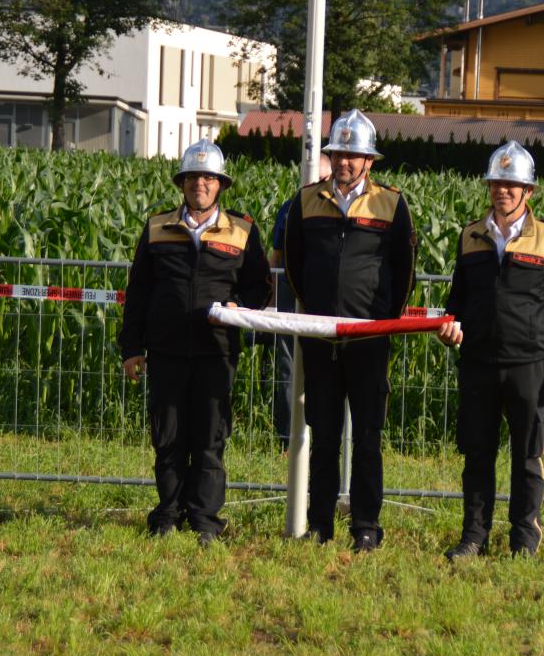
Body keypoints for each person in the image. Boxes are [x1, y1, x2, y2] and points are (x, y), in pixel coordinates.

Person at [118, 140, 271, 545]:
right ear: (181, 183)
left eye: (208, 177)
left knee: (209, 439)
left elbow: (260, 287)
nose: (199, 184)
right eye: (192, 177)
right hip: (165, 351)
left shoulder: (243, 230)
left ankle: (205, 520)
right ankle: (167, 516)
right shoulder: (156, 227)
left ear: (221, 184)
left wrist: (241, 306)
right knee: (168, 438)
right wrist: (131, 348)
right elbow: (138, 292)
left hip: (216, 352)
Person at [436, 140, 544, 559]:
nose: (503, 190)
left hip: (528, 365)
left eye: (511, 184)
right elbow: (457, 301)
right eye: (497, 183)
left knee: (528, 457)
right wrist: (450, 326)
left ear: (528, 191)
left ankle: (523, 541)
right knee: (477, 456)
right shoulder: (470, 236)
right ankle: (473, 538)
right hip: (478, 363)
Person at [284, 109, 417, 552]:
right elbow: (295, 263)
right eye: (338, 153)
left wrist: (382, 321)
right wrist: (316, 311)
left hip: (369, 341)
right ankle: (320, 525)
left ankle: (365, 527)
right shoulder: (306, 200)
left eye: (352, 155)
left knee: (368, 438)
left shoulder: (391, 204)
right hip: (322, 339)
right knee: (323, 436)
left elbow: (404, 269)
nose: (344, 161)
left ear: (368, 161)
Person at [268, 153, 332, 450]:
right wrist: (269, 298)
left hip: (326, 298)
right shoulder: (289, 208)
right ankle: (288, 440)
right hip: (289, 294)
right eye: (309, 180)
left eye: (320, 179)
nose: (314, 185)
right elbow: (276, 256)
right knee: (288, 367)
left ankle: (324, 436)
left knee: (325, 367)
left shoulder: (338, 211)